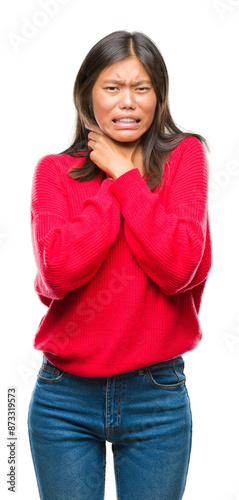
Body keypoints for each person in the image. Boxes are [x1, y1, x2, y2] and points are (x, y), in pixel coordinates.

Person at [27, 30, 212, 500]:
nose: (127, 102)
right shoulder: (55, 171)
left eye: (141, 87)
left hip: (157, 397)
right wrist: (112, 178)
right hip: (63, 399)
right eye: (112, 87)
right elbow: (59, 271)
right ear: (88, 95)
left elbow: (179, 267)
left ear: (158, 96)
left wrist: (127, 175)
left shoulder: (184, 158)